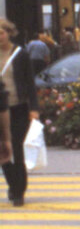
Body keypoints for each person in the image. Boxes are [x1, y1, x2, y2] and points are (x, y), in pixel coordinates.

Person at [0, 19, 40, 207]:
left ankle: (19, 191)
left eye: (1, 33)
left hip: (18, 108)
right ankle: (13, 185)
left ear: (9, 33)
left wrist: (34, 108)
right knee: (3, 153)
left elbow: (30, 84)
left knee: (17, 149)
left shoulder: (20, 54)